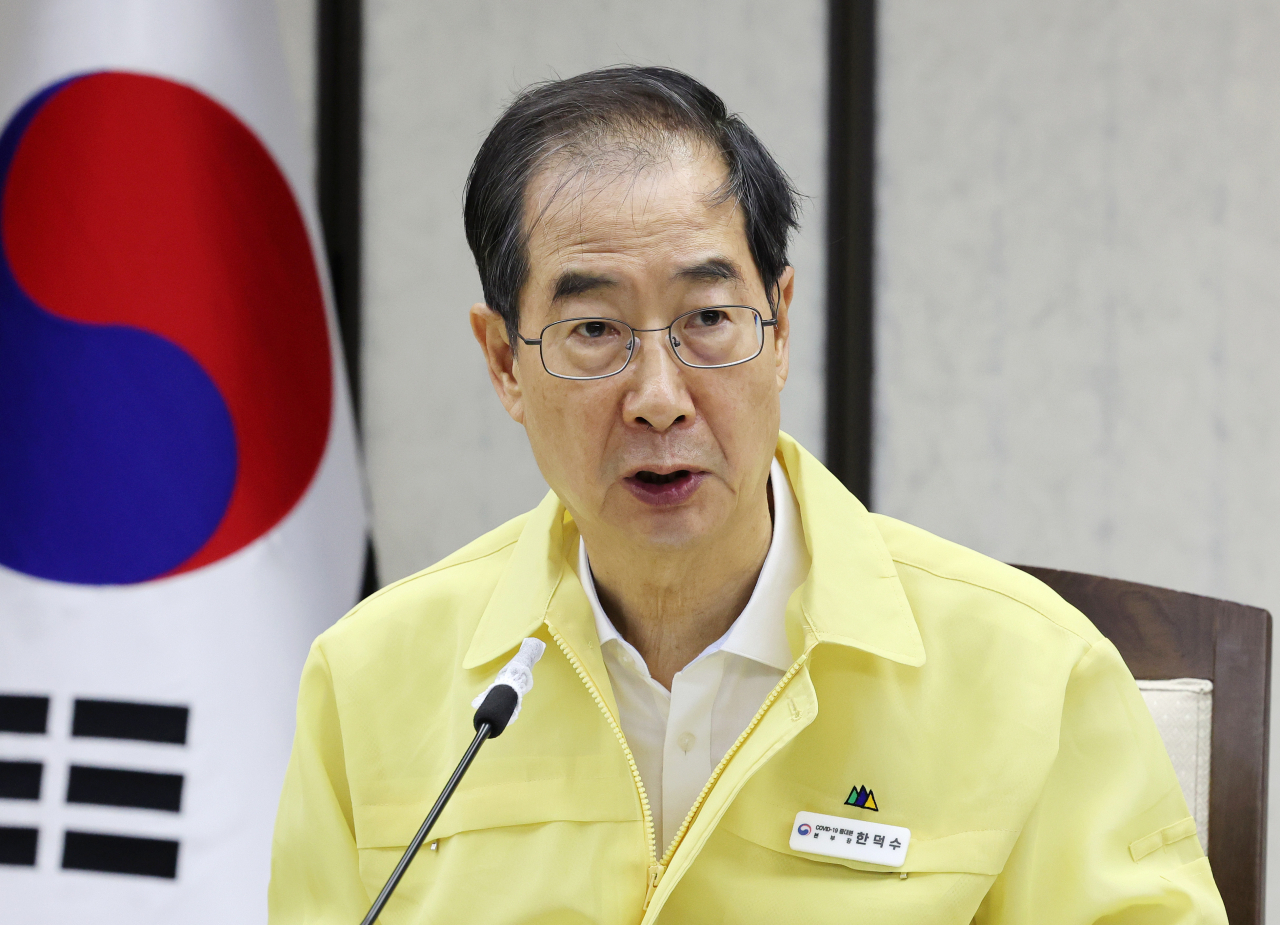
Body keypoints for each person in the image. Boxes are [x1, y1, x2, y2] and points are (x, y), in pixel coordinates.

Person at [268, 66, 1226, 924]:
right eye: (594, 329)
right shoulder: (368, 682)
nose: (657, 397)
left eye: (710, 318)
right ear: (502, 362)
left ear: (781, 325)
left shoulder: (1033, 676)